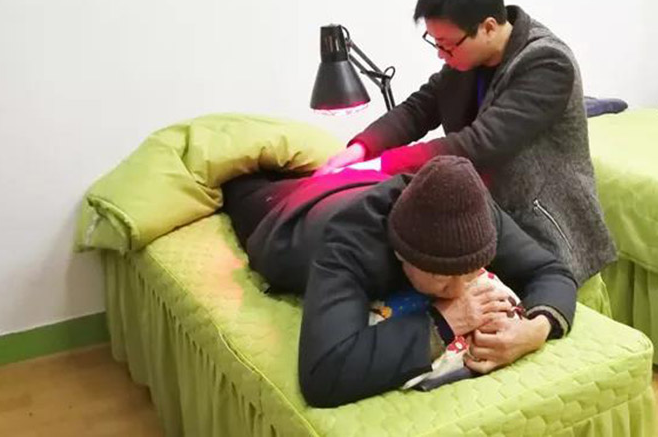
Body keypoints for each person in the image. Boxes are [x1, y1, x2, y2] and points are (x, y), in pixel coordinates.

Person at [315, 0, 616, 284]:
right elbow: (419, 109)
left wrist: (382, 164)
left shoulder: (547, 62)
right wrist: (361, 148)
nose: (440, 54)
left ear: (488, 27)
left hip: (545, 223)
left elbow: (480, 144)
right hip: (491, 215)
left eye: (447, 45)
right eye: (435, 42)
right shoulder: (468, 58)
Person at [222, 156, 577, 408]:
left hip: (357, 182)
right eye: (442, 282)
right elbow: (324, 374)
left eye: (469, 276)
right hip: (282, 216)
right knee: (237, 177)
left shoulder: (475, 213)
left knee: (303, 162)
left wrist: (535, 330)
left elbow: (552, 270)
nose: (458, 293)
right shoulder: (348, 244)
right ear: (400, 255)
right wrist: (445, 322)